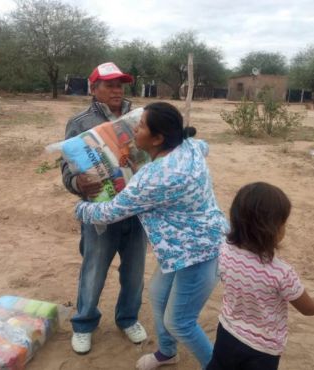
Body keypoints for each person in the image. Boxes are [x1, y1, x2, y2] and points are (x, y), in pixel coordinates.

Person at [75, 102, 228, 369]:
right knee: (158, 295)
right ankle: (167, 352)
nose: (135, 128)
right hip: (179, 251)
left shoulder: (154, 178)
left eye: (142, 125)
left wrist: (81, 208)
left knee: (180, 321)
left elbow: (111, 212)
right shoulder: (190, 146)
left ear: (158, 138)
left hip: (199, 253)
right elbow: (205, 146)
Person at [207, 182, 314, 370]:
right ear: (270, 230)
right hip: (262, 351)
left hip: (227, 334)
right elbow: (309, 307)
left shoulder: (224, 250)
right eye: (283, 223)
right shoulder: (280, 273)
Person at [60, 62, 147, 354]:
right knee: (94, 270)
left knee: (134, 272)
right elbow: (66, 168)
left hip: (137, 211)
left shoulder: (141, 118)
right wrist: (77, 183)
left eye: (120, 84)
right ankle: (84, 324)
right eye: (109, 84)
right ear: (93, 88)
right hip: (100, 213)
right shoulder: (80, 122)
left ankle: (127, 319)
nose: (116, 89)